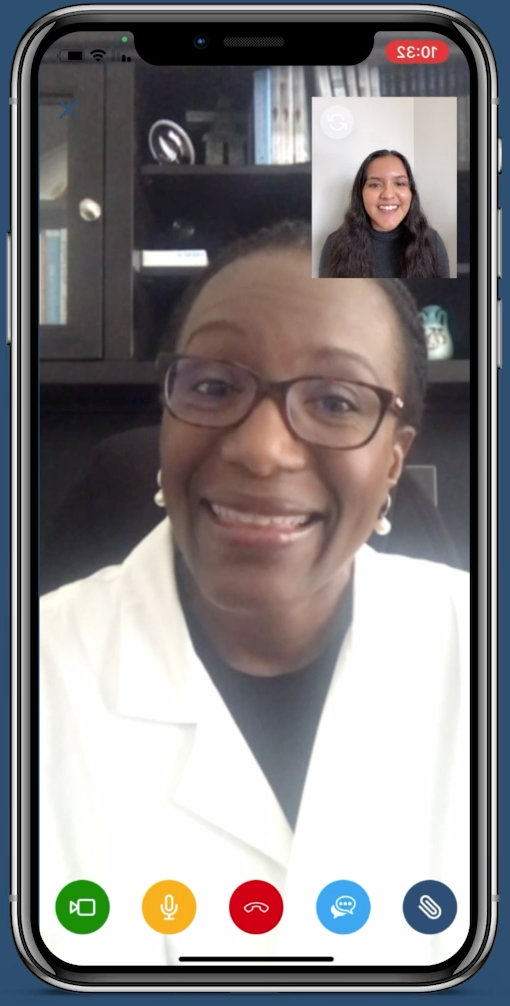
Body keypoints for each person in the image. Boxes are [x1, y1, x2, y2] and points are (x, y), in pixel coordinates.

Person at [40, 222, 468, 966]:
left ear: (394, 461)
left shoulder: (477, 644)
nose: (262, 450)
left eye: (336, 401)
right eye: (212, 386)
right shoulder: (36, 673)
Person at [319, 150, 451, 279]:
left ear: (411, 193)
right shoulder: (335, 244)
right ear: (360, 193)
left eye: (399, 183)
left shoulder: (432, 242)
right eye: (375, 185)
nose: (388, 195)